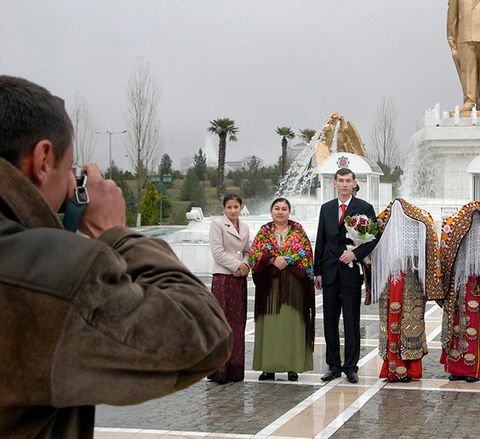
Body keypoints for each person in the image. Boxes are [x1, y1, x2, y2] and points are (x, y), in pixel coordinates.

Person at [0, 76, 231, 438]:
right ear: (43, 160)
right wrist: (116, 232)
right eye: (69, 169)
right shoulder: (53, 274)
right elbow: (203, 336)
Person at [369, 198, 443, 382]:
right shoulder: (384, 223)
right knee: (391, 319)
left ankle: (410, 369)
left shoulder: (419, 223)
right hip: (392, 280)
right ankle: (393, 367)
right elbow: (370, 249)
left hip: (410, 280)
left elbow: (430, 252)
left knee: (411, 320)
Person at [314, 168, 377, 384]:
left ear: (354, 183)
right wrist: (318, 271)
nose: (344, 184)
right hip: (330, 272)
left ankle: (351, 366)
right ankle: (333, 365)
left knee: (351, 320)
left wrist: (355, 254)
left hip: (351, 272)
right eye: (340, 180)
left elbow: (373, 238)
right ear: (334, 183)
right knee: (330, 321)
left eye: (347, 181)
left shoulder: (365, 208)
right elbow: (320, 240)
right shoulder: (326, 209)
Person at [248, 198, 315, 381]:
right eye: (277, 208)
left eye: (284, 209)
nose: (280, 212)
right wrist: (272, 260)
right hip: (270, 288)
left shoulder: (298, 230)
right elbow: (254, 253)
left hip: (294, 288)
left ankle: (292, 366)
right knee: (270, 326)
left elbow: (307, 253)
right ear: (271, 211)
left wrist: (287, 260)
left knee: (292, 325)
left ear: (289, 211)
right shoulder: (264, 231)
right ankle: (268, 368)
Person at [439, 201, 480, 382]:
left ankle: (472, 371)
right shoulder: (454, 231)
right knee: (455, 325)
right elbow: (446, 257)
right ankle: (455, 369)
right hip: (458, 284)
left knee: (473, 327)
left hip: (476, 283)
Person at [207, 193, 250, 383]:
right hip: (224, 278)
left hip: (239, 279)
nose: (233, 210)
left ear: (241, 207)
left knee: (237, 323)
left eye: (236, 207)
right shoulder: (217, 225)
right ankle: (219, 370)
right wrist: (237, 266)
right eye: (229, 207)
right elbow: (217, 252)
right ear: (223, 208)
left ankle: (235, 369)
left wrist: (246, 267)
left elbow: (249, 251)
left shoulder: (246, 227)